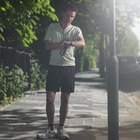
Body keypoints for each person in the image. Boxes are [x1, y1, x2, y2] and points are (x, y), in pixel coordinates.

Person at [37, 4, 85, 140]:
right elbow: (47, 46)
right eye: (68, 15)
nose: (69, 18)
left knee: (65, 98)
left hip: (69, 67)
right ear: (62, 13)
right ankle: (50, 128)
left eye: (72, 16)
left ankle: (61, 129)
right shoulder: (53, 27)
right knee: (49, 97)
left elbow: (82, 43)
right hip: (54, 66)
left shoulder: (76, 30)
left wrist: (69, 43)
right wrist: (60, 44)